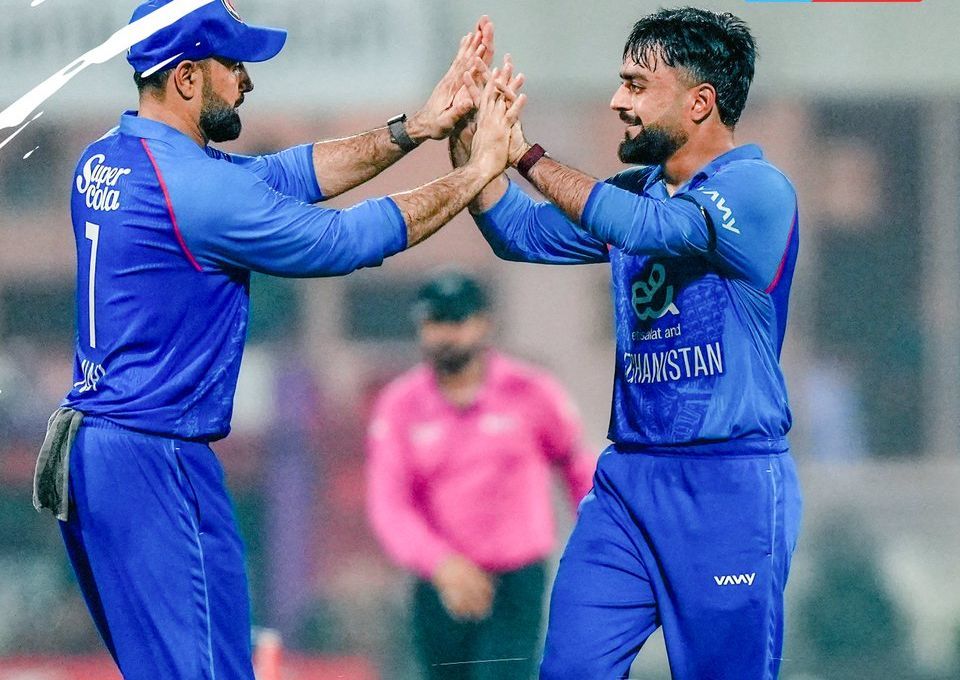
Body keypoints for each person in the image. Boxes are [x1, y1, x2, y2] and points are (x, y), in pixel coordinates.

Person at [30, 1, 524, 678]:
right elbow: (343, 241)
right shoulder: (197, 191)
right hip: (157, 458)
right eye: (232, 65)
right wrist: (474, 176)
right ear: (185, 78)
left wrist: (415, 128)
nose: (246, 81)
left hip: (98, 452)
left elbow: (284, 175)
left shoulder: (107, 160)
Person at [451, 8, 803, 679]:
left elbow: (650, 227)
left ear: (701, 102)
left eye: (637, 85)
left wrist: (526, 153)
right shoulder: (635, 193)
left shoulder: (756, 192)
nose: (617, 102)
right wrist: (471, 137)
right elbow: (518, 233)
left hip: (728, 486)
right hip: (627, 488)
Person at [365, 271, 594, 680]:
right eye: (436, 322)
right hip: (439, 582)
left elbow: (579, 471)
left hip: (515, 582)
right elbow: (389, 503)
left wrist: (602, 550)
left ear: (484, 323)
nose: (447, 334)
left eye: (457, 320)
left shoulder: (530, 390)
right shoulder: (400, 405)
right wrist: (439, 563)